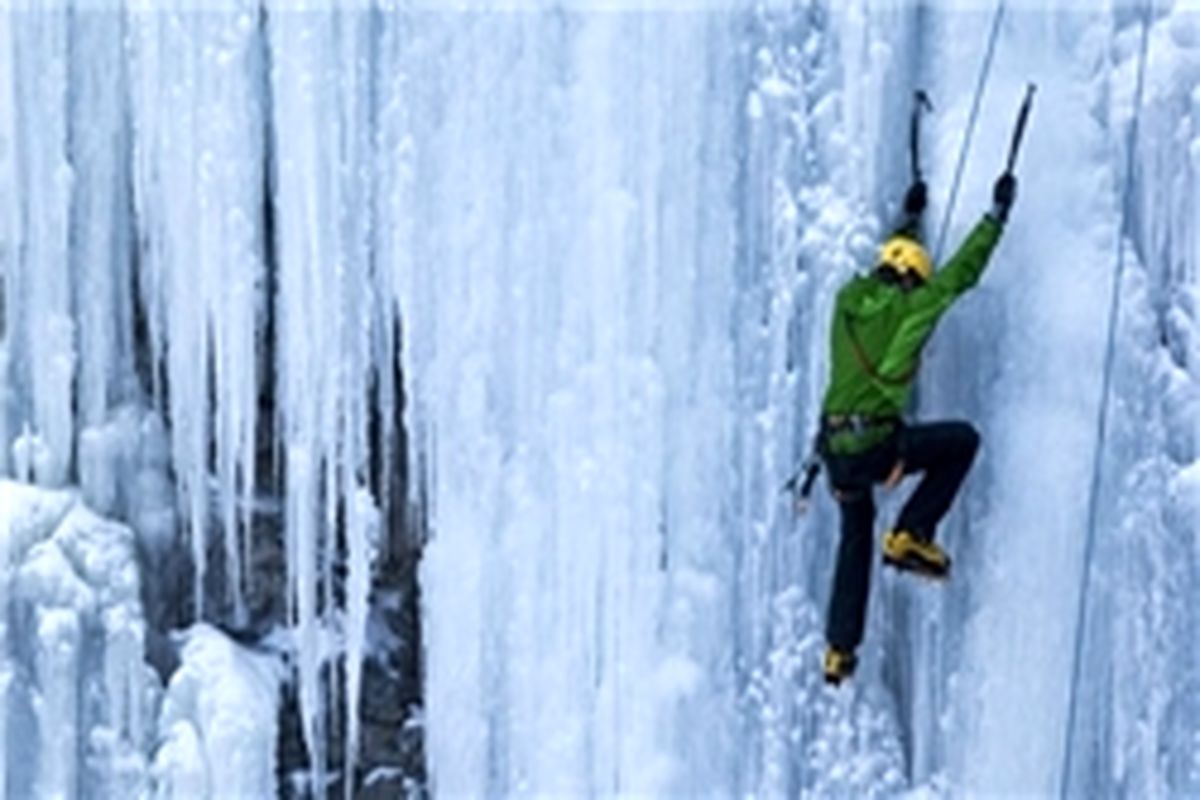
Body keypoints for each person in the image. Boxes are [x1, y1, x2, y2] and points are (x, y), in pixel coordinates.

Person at [819, 172, 1017, 685]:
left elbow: (886, 266)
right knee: (961, 443)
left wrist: (908, 218)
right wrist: (995, 218)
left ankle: (839, 651)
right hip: (876, 443)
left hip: (835, 452)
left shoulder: (846, 302)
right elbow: (956, 278)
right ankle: (912, 531)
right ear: (913, 280)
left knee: (854, 539)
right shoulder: (915, 305)